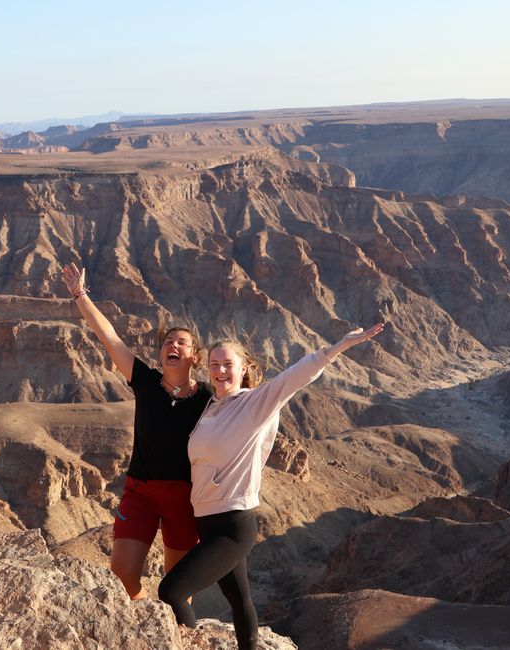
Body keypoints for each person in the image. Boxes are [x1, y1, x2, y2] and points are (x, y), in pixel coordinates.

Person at [158, 323, 385, 649]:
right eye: (214, 365)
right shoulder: (210, 407)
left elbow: (295, 376)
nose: (220, 371)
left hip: (232, 525)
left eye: (227, 364)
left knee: (172, 591)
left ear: (243, 369)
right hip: (207, 522)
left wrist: (337, 348)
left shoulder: (254, 403)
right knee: (239, 600)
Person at [61, 262, 211, 600]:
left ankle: (174, 633)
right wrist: (79, 295)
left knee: (178, 588)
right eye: (167, 341)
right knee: (123, 580)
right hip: (140, 493)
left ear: (196, 357)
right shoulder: (145, 381)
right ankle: (146, 618)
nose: (172, 344)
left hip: (186, 498)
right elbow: (109, 337)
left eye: (182, 342)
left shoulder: (208, 398)